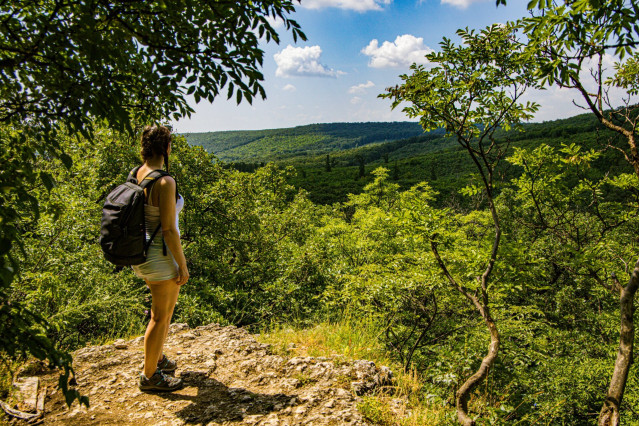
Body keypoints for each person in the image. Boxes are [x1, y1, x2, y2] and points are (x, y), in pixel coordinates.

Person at [131, 125, 189, 392]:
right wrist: (182, 265)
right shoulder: (165, 182)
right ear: (166, 148)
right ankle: (150, 376)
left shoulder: (136, 174)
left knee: (163, 312)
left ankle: (158, 358)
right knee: (160, 316)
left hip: (141, 253)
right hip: (159, 257)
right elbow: (168, 229)